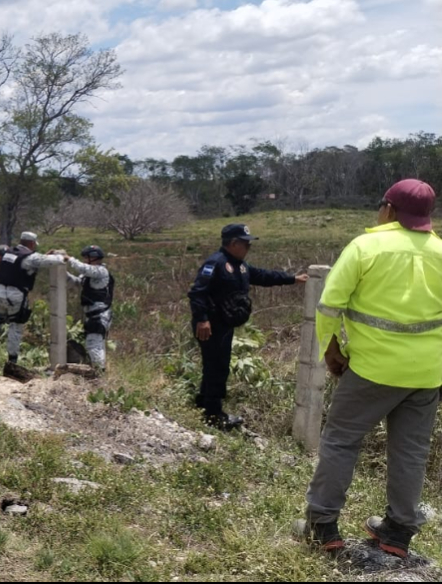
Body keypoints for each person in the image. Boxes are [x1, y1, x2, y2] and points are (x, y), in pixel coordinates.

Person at [299, 179, 442, 557]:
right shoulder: (441, 252)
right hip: (426, 374)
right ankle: (397, 534)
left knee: (341, 440)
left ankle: (323, 526)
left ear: (389, 210)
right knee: (411, 451)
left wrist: (331, 350)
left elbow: (330, 304)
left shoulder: (367, 246)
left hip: (373, 370)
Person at [188, 224, 307, 430]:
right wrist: (202, 319)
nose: (248, 247)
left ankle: (204, 403)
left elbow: (263, 276)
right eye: (246, 243)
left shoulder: (240, 266)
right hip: (210, 325)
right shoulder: (215, 263)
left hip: (224, 325)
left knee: (215, 365)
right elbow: (197, 293)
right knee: (218, 367)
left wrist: (292, 279)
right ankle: (214, 415)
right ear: (234, 243)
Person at [0, 233, 66, 363]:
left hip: (0, 293)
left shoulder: (9, 252)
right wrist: (61, 255)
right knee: (15, 327)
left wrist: (44, 255)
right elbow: (52, 261)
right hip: (16, 295)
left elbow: (25, 264)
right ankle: (12, 360)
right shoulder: (30, 257)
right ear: (31, 243)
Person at [66, 245, 113, 372]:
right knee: (96, 344)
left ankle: (99, 372)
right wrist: (61, 272)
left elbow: (85, 269)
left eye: (86, 257)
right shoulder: (88, 275)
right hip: (93, 315)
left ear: (93, 258)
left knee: (94, 345)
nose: (85, 260)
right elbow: (76, 282)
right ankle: (99, 370)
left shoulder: (100, 271)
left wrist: (69, 259)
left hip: (99, 315)